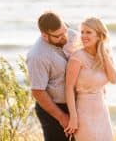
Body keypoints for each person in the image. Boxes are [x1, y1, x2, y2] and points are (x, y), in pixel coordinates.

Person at [26, 11, 78, 141]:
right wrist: (62, 117)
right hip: (54, 110)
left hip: (76, 105)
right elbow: (38, 92)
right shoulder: (37, 56)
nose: (65, 37)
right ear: (44, 35)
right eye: (58, 36)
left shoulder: (70, 34)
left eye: (64, 31)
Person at [64, 17, 116, 141]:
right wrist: (73, 117)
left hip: (101, 110)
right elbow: (69, 88)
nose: (83, 36)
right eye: (82, 32)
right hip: (84, 111)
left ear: (99, 35)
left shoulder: (106, 54)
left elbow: (114, 79)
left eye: (88, 32)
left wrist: (103, 54)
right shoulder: (77, 57)